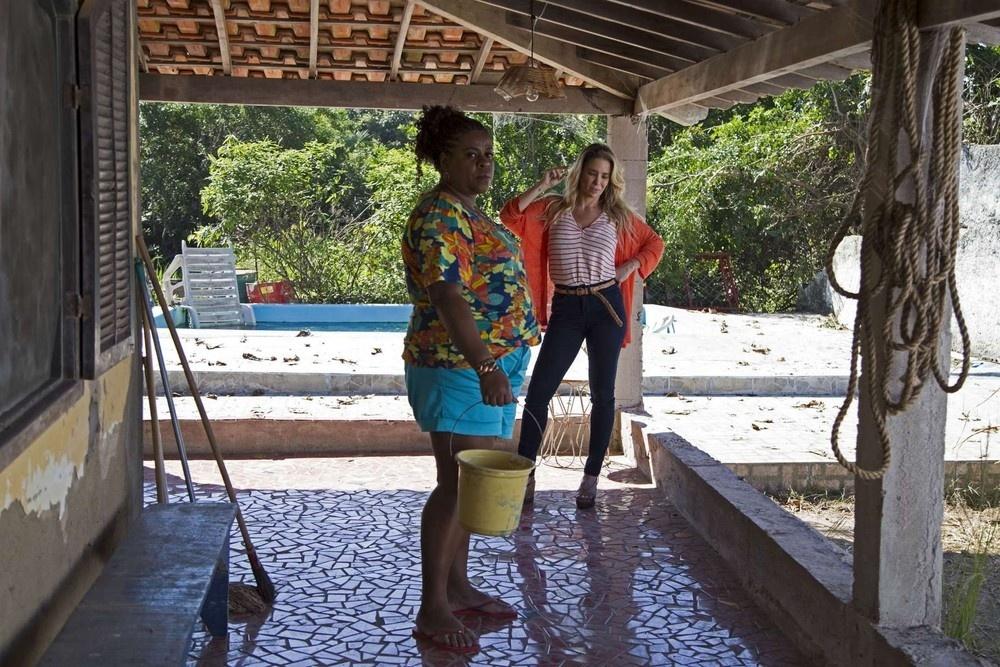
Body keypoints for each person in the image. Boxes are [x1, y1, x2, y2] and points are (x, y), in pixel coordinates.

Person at [401, 105, 540, 654]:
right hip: (458, 366)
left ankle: (456, 589)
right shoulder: (440, 216)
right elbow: (446, 295)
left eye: (488, 155)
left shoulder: (467, 210)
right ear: (443, 160)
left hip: (486, 364)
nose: (484, 164)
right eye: (471, 155)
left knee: (462, 483)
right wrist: (485, 364)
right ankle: (433, 606)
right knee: (457, 484)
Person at [500, 143, 664, 510]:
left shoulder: (618, 216)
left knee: (603, 395)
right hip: (567, 308)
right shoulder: (553, 209)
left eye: (605, 176)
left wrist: (631, 265)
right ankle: (526, 474)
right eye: (592, 173)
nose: (598, 182)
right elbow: (510, 215)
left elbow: (654, 243)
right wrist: (543, 184)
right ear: (580, 173)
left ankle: (590, 479)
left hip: (606, 305)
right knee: (539, 392)